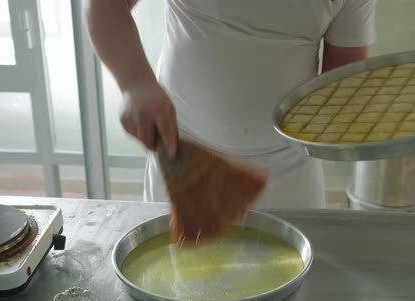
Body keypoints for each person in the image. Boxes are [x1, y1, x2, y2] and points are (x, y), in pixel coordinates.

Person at [86, 0, 376, 209]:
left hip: (289, 175)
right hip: (185, 158)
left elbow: (340, 85)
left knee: (292, 291)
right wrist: (136, 84)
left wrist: (357, 119)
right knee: (177, 283)